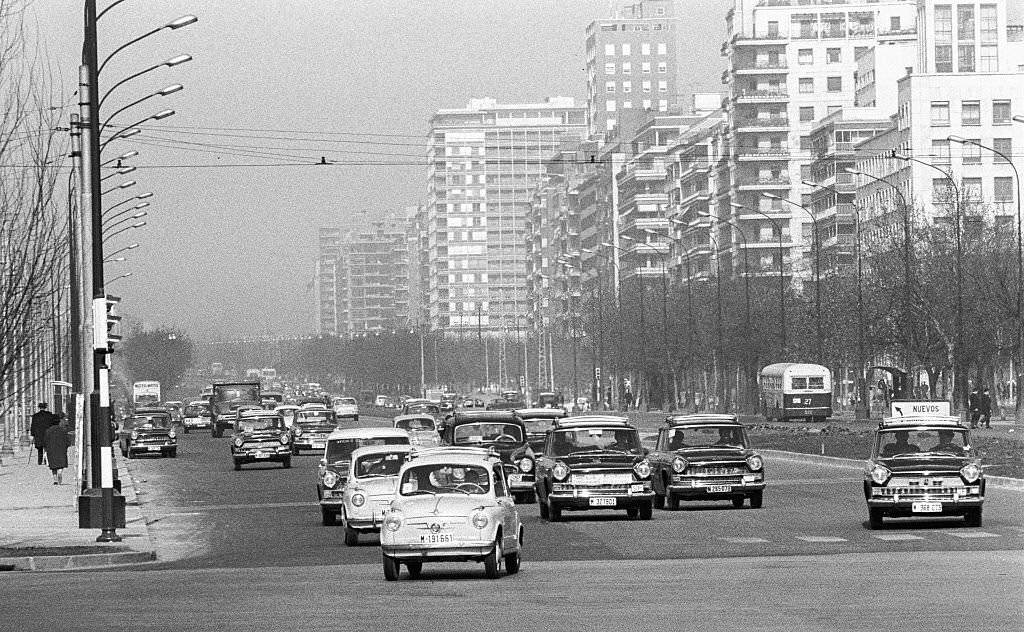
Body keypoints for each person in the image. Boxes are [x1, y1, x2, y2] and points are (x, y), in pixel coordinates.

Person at [43, 416, 71, 485]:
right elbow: (68, 441)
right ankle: (60, 472)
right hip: (61, 450)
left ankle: (55, 479)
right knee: (60, 464)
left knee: (53, 465)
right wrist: (66, 446)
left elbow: (45, 442)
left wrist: (46, 448)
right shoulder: (63, 430)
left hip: (51, 450)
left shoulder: (48, 431)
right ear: (59, 422)